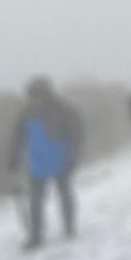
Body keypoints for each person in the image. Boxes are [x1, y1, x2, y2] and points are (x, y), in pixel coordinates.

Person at [8, 77, 83, 250]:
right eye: (32, 94)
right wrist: (13, 158)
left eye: (38, 94)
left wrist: (72, 156)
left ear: (48, 93)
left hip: (60, 159)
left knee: (64, 195)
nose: (35, 98)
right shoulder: (25, 113)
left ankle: (69, 227)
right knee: (35, 200)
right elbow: (17, 137)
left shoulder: (64, 109)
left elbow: (75, 134)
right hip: (38, 163)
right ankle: (36, 236)